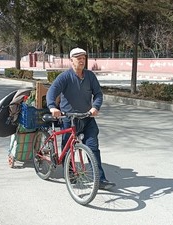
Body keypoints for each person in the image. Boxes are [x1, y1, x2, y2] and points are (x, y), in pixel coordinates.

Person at [46, 47, 116, 190]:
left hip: (87, 117)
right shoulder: (65, 77)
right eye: (78, 58)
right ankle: (70, 173)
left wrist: (95, 107)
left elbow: (98, 94)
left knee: (93, 148)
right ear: (71, 61)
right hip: (69, 118)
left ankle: (100, 179)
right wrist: (53, 107)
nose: (82, 61)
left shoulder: (90, 76)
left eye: (84, 58)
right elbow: (51, 92)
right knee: (67, 147)